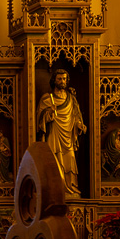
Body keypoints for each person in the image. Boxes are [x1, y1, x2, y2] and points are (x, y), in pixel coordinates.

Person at [37, 67, 86, 195]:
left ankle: (71, 188)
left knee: (69, 158)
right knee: (54, 160)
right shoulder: (47, 98)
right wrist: (49, 114)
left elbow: (76, 116)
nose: (62, 81)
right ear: (54, 80)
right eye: (59, 79)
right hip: (53, 133)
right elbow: (39, 120)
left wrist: (79, 125)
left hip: (68, 135)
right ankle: (54, 190)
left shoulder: (71, 98)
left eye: (64, 79)